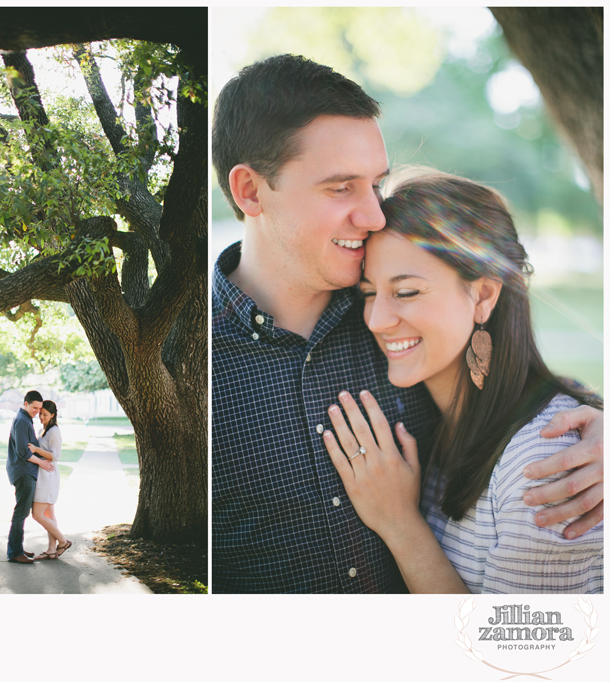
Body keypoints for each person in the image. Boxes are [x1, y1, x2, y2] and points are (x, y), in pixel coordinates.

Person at [211, 54, 604, 593]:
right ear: (250, 190)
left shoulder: (395, 327)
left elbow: (507, 383)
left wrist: (591, 424)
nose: (374, 214)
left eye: (376, 182)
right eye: (340, 187)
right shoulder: (192, 366)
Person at [323, 168, 603, 593]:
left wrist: (399, 523)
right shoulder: (442, 421)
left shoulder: (545, 468)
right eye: (368, 293)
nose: (377, 320)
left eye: (407, 292)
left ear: (484, 295)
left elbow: (510, 654)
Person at [6, 390, 54, 564]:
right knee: (21, 512)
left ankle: (17, 547)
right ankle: (14, 552)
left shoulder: (26, 420)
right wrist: (41, 462)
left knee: (22, 512)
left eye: (39, 409)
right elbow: (22, 451)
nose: (37, 412)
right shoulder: (21, 421)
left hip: (26, 471)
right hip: (23, 472)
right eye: (34, 408)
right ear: (25, 404)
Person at [28, 400, 72, 559]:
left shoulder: (54, 431)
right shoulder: (43, 429)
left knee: (37, 515)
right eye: (40, 414)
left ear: (53, 415)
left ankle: (63, 541)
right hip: (43, 475)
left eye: (45, 415)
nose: (41, 417)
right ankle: (52, 550)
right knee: (49, 513)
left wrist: (36, 449)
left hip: (48, 477)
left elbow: (56, 456)